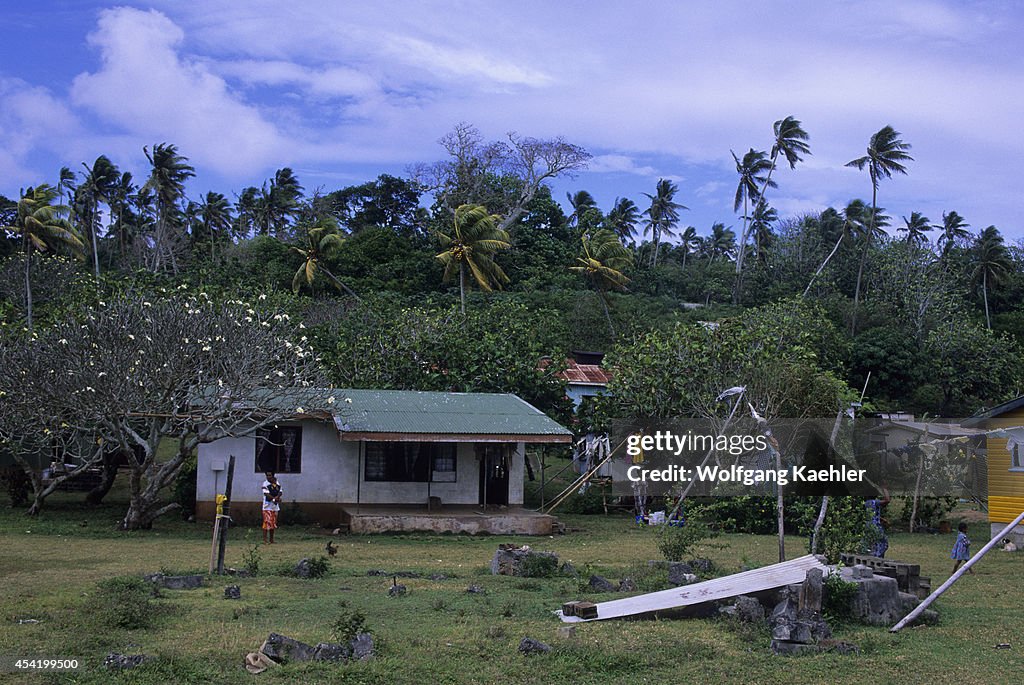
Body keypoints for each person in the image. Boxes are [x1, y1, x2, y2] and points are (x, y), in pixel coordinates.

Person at [865, 484, 890, 558]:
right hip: (876, 527)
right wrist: (885, 489)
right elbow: (887, 500)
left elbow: (872, 515)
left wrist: (882, 519)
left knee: (875, 544)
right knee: (883, 543)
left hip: (869, 526)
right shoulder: (874, 502)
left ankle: (875, 557)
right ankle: (877, 558)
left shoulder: (867, 503)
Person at [261, 472, 282, 544]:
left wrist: (277, 498)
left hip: (275, 507)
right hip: (267, 507)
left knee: (273, 523)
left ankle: (271, 540)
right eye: (267, 475)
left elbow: (280, 491)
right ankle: (265, 540)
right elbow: (266, 494)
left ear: (273, 476)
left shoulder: (277, 483)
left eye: (270, 475)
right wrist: (274, 499)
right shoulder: (265, 484)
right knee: (266, 523)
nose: (268, 477)